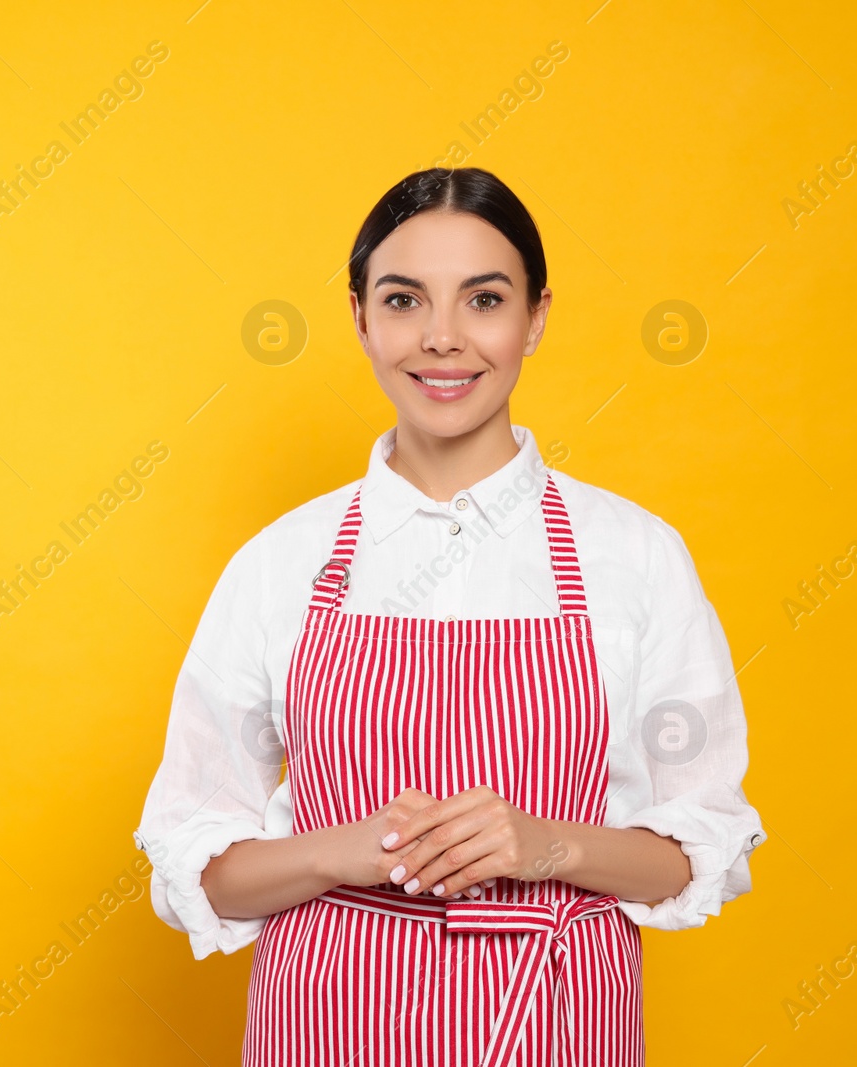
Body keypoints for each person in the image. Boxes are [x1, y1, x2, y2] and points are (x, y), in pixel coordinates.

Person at [135, 166, 765, 1066]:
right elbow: (207, 870)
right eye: (403, 300)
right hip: (326, 1020)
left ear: (536, 317)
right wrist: (336, 852)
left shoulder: (633, 555)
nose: (441, 338)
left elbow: (696, 843)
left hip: (557, 1021)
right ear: (360, 317)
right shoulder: (280, 563)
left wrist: (547, 844)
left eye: (483, 299)